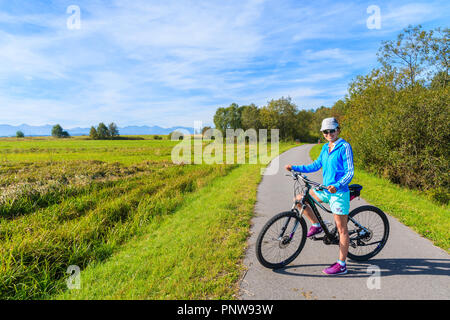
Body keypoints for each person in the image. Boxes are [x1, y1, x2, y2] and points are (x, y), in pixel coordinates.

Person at [285, 117, 354, 275]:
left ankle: (342, 264)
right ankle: (316, 225)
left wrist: (337, 186)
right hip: (325, 190)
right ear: (323, 133)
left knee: (341, 229)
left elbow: (350, 172)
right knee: (300, 199)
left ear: (338, 130)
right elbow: (315, 165)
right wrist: (295, 167)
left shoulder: (344, 147)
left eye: (332, 130)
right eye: (326, 131)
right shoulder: (325, 148)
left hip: (338, 192)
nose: (329, 134)